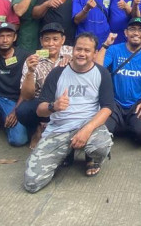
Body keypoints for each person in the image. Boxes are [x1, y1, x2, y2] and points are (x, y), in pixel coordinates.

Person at [23, 32, 115, 192]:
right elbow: (40, 110)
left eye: (87, 51)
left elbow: (107, 107)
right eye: (78, 49)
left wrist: (86, 131)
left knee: (100, 146)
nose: (82, 54)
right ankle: (66, 153)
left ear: (94, 53)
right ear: (72, 50)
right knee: (32, 183)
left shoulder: (101, 73)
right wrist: (54, 106)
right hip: (59, 129)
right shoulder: (57, 73)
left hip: (88, 125)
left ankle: (91, 158)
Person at [102, 18, 141, 144]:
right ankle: (123, 125)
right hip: (115, 102)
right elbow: (97, 68)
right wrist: (105, 45)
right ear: (126, 33)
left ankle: (127, 125)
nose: (136, 33)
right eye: (132, 29)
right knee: (103, 130)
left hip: (138, 103)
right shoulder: (114, 50)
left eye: (140, 30)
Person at [17, 22, 74, 149]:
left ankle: (59, 131)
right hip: (42, 101)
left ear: (63, 39)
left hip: (67, 99)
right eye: (47, 39)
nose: (51, 44)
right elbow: (26, 96)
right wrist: (30, 72)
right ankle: (38, 129)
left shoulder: (72, 52)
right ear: (41, 41)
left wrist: (74, 62)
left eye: (55, 39)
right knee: (23, 110)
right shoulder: (33, 59)